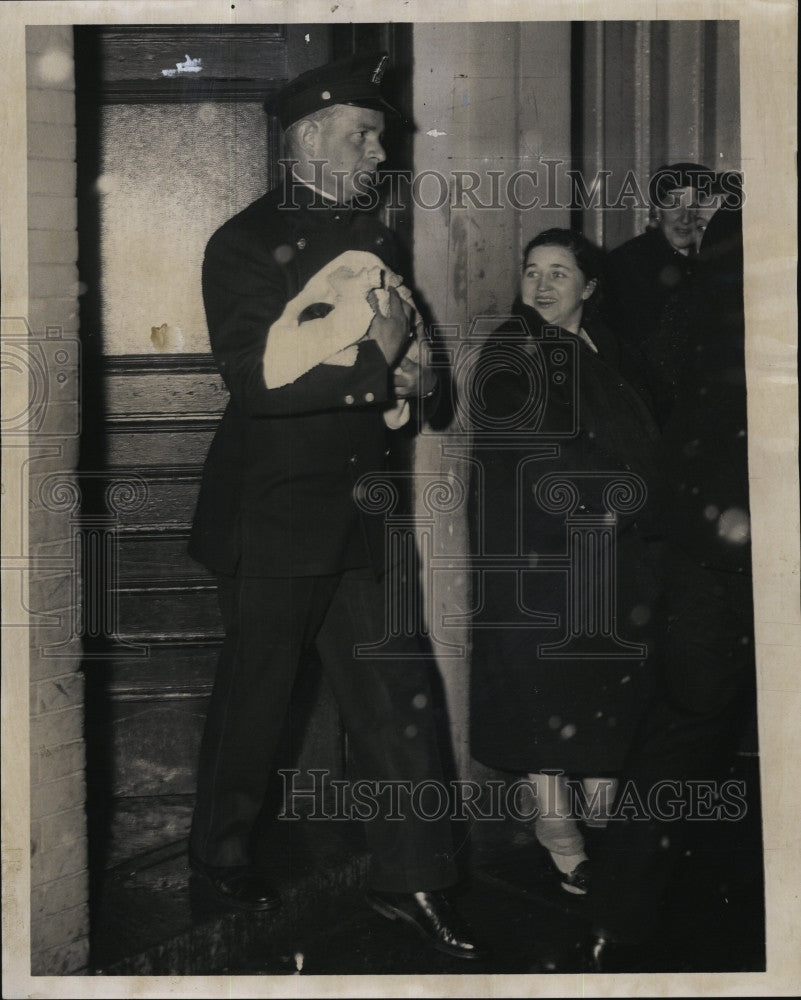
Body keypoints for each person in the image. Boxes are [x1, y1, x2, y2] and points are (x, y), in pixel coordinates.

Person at [186, 52, 482, 961]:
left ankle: (414, 880)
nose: (376, 153)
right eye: (361, 136)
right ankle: (218, 858)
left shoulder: (377, 236)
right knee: (257, 702)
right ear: (306, 139)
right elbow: (252, 381)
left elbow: (411, 359)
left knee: (400, 700)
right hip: (273, 515)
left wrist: (420, 378)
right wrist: (375, 363)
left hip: (365, 514)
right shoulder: (241, 243)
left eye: (380, 138)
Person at [576, 203, 757, 973]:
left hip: (698, 534)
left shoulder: (705, 283)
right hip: (745, 537)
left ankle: (616, 922)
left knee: (681, 730)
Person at [469, 228, 663, 895]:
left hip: (612, 543)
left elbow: (651, 438)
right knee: (541, 690)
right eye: (531, 271)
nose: (542, 284)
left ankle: (603, 818)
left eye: (559, 272)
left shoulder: (612, 350)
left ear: (589, 287)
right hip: (537, 549)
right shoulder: (511, 346)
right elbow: (534, 442)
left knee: (605, 677)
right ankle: (557, 829)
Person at [604, 162, 719, 424]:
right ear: (656, 210)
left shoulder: (711, 262)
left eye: (694, 205)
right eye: (674, 204)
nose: (685, 217)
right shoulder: (629, 263)